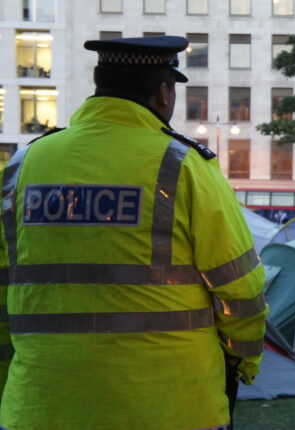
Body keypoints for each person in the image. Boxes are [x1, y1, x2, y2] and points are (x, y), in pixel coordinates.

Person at [0, 36, 267, 429]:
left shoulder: (24, 166)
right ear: (163, 92)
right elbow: (241, 287)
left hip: (41, 402)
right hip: (174, 407)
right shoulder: (183, 164)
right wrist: (242, 360)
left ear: (98, 82)